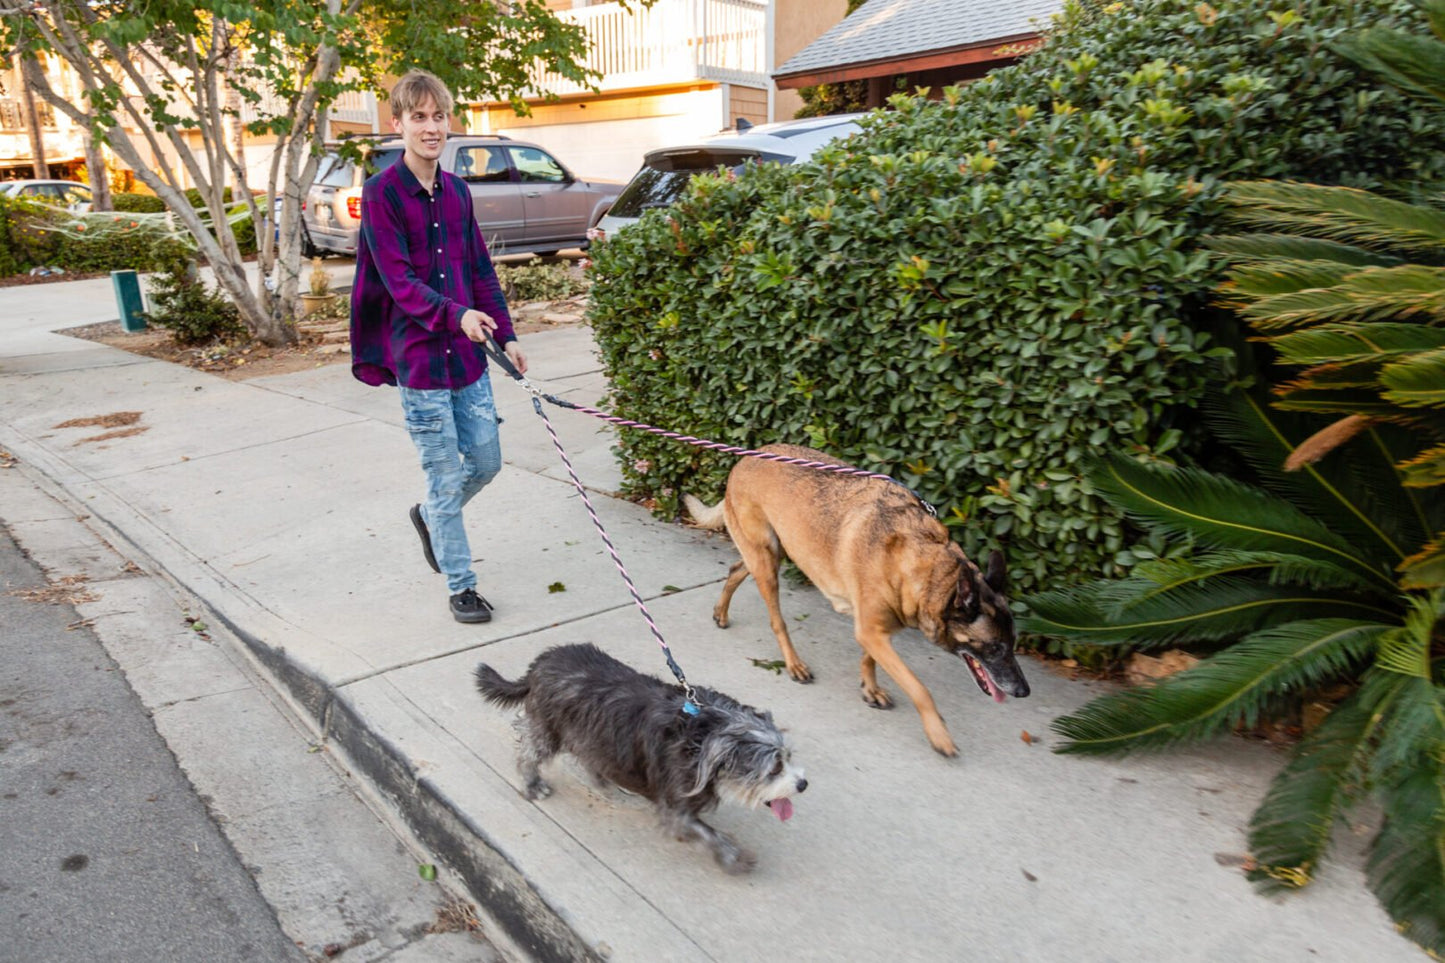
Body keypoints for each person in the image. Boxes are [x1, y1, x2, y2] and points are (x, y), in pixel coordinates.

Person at [349, 69, 527, 624]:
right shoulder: (381, 194)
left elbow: (478, 269)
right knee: (446, 475)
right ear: (396, 123)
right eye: (419, 117)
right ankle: (461, 584)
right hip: (420, 364)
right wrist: (457, 315)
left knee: (487, 461)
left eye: (439, 116)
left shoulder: (457, 192)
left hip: (470, 360)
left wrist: (508, 331)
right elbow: (399, 283)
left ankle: (430, 516)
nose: (431, 128)